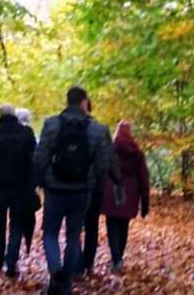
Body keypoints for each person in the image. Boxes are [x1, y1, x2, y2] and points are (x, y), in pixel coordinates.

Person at [33, 86, 115, 295]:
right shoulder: (97, 129)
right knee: (74, 236)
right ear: (84, 102)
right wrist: (95, 185)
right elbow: (103, 164)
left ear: (67, 101)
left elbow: (40, 157)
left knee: (49, 233)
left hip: (54, 188)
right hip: (81, 190)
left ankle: (55, 270)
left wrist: (40, 182)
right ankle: (66, 285)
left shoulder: (51, 124)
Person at [0, 103, 36, 278]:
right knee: (16, 223)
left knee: (0, 222)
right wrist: (33, 186)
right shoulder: (26, 134)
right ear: (14, 115)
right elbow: (33, 162)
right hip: (21, 187)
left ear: (0, 116)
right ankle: (11, 262)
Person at [100, 120, 150, 274]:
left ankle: (116, 259)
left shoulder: (110, 150)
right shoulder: (137, 153)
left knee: (112, 226)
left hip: (112, 191)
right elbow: (143, 179)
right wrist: (145, 202)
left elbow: (102, 171)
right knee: (123, 227)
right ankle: (118, 258)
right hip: (130, 194)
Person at [77, 99, 106, 277]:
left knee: (74, 226)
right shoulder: (99, 130)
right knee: (91, 226)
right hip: (94, 186)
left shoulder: (63, 126)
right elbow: (104, 160)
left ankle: (76, 264)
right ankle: (88, 263)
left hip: (71, 185)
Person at [15, 107, 41, 254]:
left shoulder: (12, 135)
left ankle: (16, 244)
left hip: (15, 181)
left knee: (16, 212)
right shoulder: (34, 136)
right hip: (30, 181)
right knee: (29, 211)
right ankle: (28, 242)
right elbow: (38, 158)